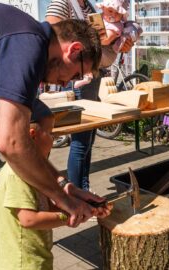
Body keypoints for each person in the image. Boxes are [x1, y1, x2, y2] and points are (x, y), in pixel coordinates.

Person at [0, 2, 110, 268]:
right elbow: (12, 143)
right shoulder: (28, 42)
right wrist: (64, 201)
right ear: (75, 49)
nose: (68, 82)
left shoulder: (23, 49)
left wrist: (63, 185)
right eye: (76, 74)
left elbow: (24, 141)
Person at [0, 113, 111, 270]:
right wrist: (69, 216)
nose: (54, 138)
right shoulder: (16, 174)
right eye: (50, 133)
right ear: (32, 135)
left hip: (37, 259)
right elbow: (29, 219)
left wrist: (83, 207)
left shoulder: (35, 171)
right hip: (23, 264)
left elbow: (45, 207)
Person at [45, 0, 134, 192]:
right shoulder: (62, 3)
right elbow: (49, 39)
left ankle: (83, 189)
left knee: (88, 139)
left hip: (93, 75)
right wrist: (99, 41)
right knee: (81, 141)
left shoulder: (90, 7)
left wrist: (121, 44)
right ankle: (77, 193)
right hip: (76, 76)